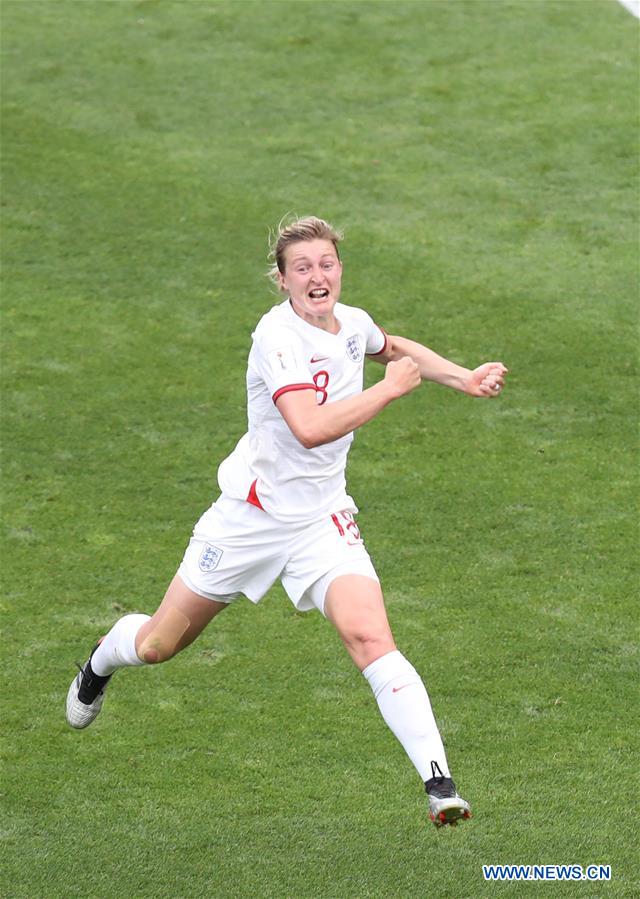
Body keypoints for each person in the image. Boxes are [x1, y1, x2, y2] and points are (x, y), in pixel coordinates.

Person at [66, 215, 507, 828]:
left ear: (339, 271)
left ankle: (440, 784)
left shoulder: (351, 322)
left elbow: (393, 348)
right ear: (281, 280)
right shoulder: (276, 339)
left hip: (321, 520)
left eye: (326, 263)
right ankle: (102, 660)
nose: (316, 275)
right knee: (159, 644)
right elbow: (308, 428)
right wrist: (390, 391)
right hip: (249, 520)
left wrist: (462, 377)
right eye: (302, 268)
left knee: (370, 638)